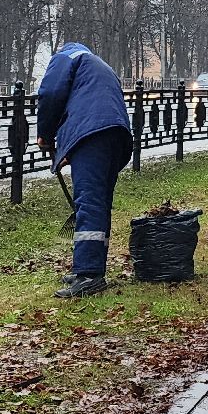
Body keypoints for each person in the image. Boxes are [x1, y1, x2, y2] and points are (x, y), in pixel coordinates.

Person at [37, 42, 134, 299]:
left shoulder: (66, 57)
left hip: (92, 135)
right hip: (116, 135)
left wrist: (44, 134)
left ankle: (89, 274)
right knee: (98, 202)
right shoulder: (98, 64)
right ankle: (91, 267)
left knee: (89, 202)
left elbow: (50, 93)